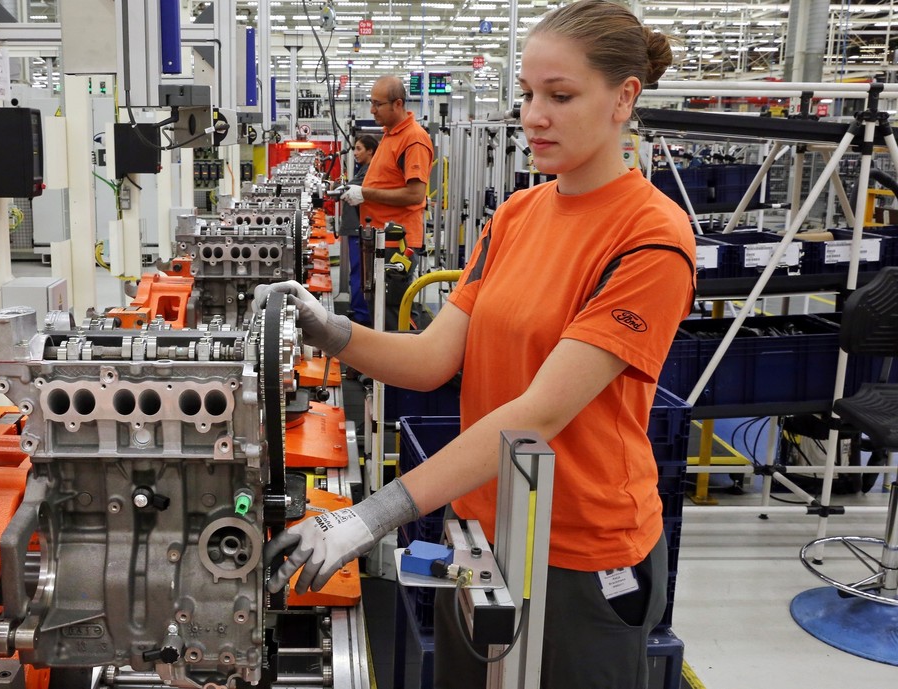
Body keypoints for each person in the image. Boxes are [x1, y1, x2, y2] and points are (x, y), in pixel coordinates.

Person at [257, 2, 695, 687]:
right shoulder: (518, 214)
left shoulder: (651, 238)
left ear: (624, 98)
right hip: (478, 535)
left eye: (560, 96)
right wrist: (328, 330)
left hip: (580, 554)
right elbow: (432, 359)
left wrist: (368, 517)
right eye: (528, 94)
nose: (534, 116)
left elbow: (537, 415)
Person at [338, 75, 434, 331]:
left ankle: (406, 356)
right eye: (371, 103)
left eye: (377, 104)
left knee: (394, 312)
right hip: (379, 238)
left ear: (398, 104)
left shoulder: (413, 139)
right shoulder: (390, 135)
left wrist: (365, 194)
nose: (372, 110)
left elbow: (415, 194)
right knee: (377, 308)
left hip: (397, 243)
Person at [339, 134, 380, 327]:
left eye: (359, 148)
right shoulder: (363, 169)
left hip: (359, 228)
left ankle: (361, 314)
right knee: (358, 271)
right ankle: (359, 310)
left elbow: (353, 189)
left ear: (370, 151)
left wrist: (336, 187)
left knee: (360, 272)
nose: (355, 152)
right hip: (356, 227)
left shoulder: (370, 170)